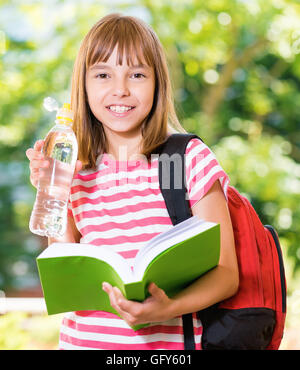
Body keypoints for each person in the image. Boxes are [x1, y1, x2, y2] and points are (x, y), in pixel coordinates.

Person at [26, 13, 239, 350]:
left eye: (137, 74)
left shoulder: (184, 159)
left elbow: (227, 275)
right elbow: (65, 267)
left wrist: (170, 307)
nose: (120, 90)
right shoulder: (77, 164)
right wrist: (53, 190)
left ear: (158, 83)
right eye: (103, 75)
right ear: (83, 85)